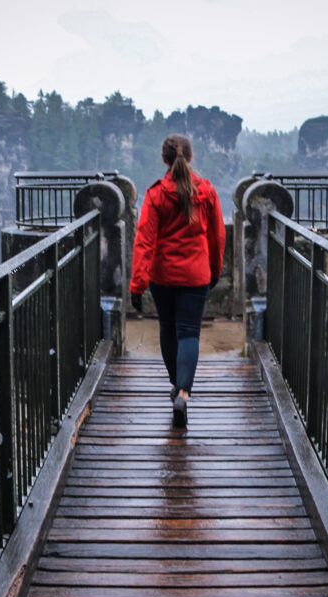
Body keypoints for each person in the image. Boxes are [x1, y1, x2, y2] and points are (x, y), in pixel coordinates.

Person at [129, 133, 226, 428]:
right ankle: (183, 392)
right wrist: (214, 269)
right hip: (195, 275)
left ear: (164, 159)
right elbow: (217, 236)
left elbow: (144, 241)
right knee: (189, 334)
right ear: (191, 157)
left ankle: (176, 384)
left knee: (168, 330)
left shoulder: (157, 195)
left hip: (163, 277)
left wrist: (137, 283)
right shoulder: (206, 192)